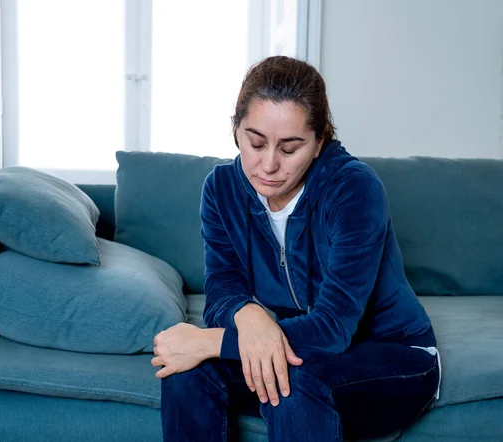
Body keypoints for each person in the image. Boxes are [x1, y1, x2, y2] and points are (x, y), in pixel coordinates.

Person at [151, 56, 441, 442]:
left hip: (395, 355)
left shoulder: (353, 189)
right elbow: (222, 288)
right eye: (255, 143)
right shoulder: (221, 188)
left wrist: (210, 341)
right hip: (301, 348)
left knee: (292, 381)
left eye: (289, 149)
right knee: (187, 371)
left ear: (319, 141)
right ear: (236, 129)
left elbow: (334, 328)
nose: (268, 165)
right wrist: (249, 315)